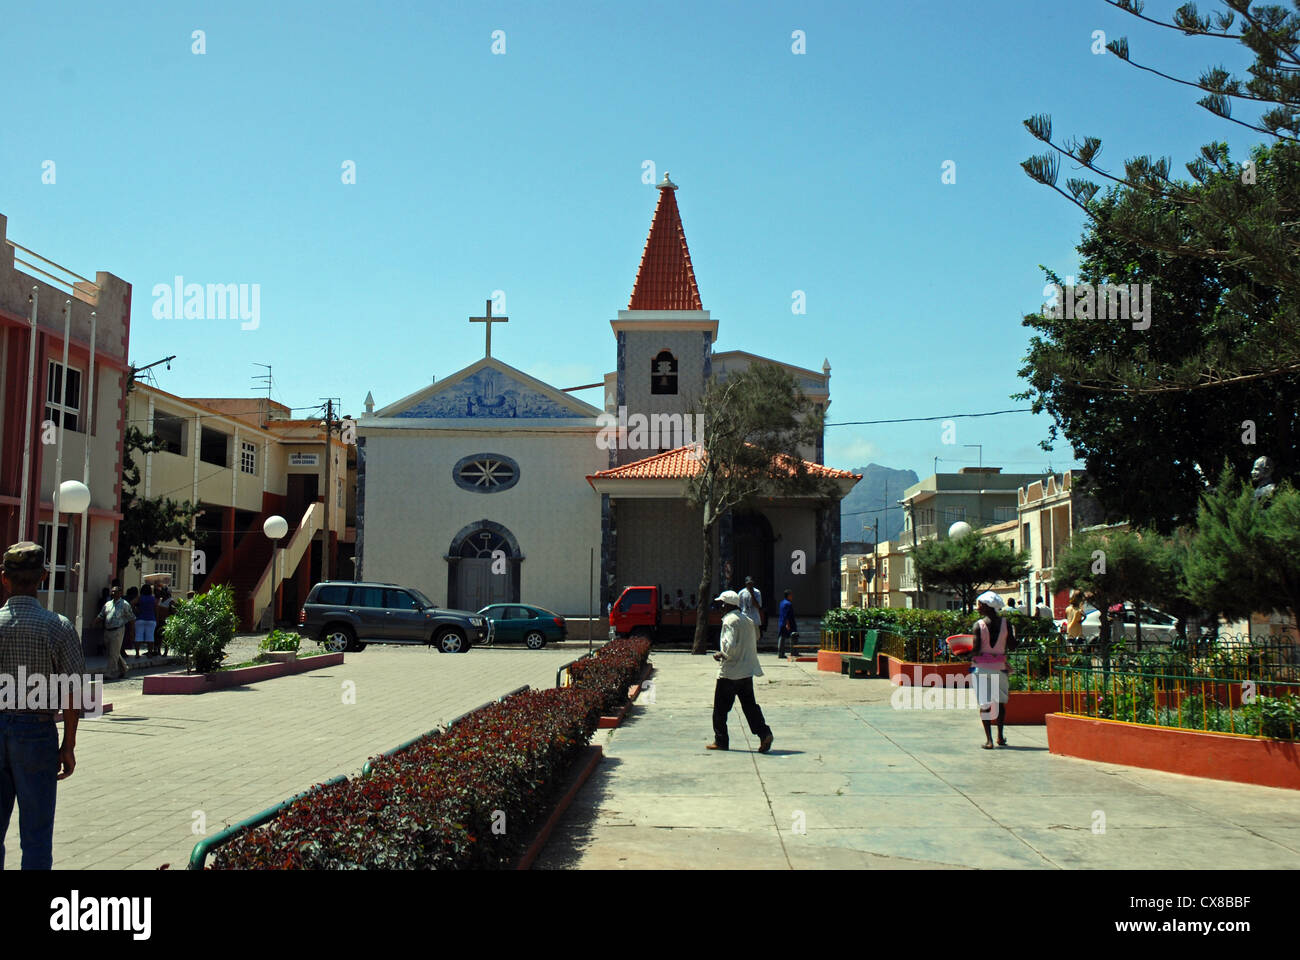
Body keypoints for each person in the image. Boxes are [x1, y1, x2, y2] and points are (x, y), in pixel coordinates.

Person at [0, 541, 86, 869]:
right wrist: (68, 745)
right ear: (44, 578)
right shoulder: (58, 627)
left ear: (4, 578)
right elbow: (74, 691)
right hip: (36, 734)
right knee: (36, 835)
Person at [708, 590, 773, 753]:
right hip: (746, 672)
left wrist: (721, 654)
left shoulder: (729, 621)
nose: (720, 607)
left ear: (727, 605)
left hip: (729, 673)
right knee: (750, 707)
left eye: (721, 604)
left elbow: (729, 646)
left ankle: (721, 741)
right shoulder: (747, 620)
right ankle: (764, 733)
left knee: (720, 710)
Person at [970, 590, 1013, 749]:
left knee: (985, 704)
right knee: (1000, 703)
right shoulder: (1006, 624)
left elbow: (976, 649)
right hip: (1000, 668)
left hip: (982, 668)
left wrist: (962, 653)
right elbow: (1013, 644)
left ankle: (989, 740)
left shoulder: (979, 625)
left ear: (987, 606)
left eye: (980, 605)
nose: (978, 608)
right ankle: (1000, 736)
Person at [94, 586, 135, 680]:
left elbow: (132, 618)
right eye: (112, 592)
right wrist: (94, 622)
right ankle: (124, 668)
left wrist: (132, 631)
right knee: (112, 652)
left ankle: (110, 672)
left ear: (120, 593)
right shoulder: (108, 604)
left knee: (113, 653)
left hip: (118, 630)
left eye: (115, 592)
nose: (113, 593)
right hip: (108, 630)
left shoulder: (125, 604)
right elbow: (101, 615)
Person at [136, 584, 158, 657]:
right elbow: (156, 609)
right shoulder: (153, 599)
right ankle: (149, 653)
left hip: (140, 618)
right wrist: (156, 617)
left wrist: (136, 611)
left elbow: (131, 603)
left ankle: (137, 653)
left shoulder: (140, 598)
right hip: (151, 619)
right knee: (150, 637)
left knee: (138, 636)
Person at [776, 589, 796, 659]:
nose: (792, 596)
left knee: (782, 637)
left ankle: (780, 653)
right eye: (791, 595)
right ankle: (793, 652)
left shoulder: (782, 603)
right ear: (788, 595)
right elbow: (786, 615)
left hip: (782, 622)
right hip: (787, 623)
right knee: (788, 637)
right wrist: (787, 624)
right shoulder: (788, 604)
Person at [124, 586, 140, 657]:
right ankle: (123, 650)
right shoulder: (133, 599)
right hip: (128, 619)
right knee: (128, 634)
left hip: (123, 619)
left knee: (125, 635)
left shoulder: (124, 598)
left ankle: (122, 650)